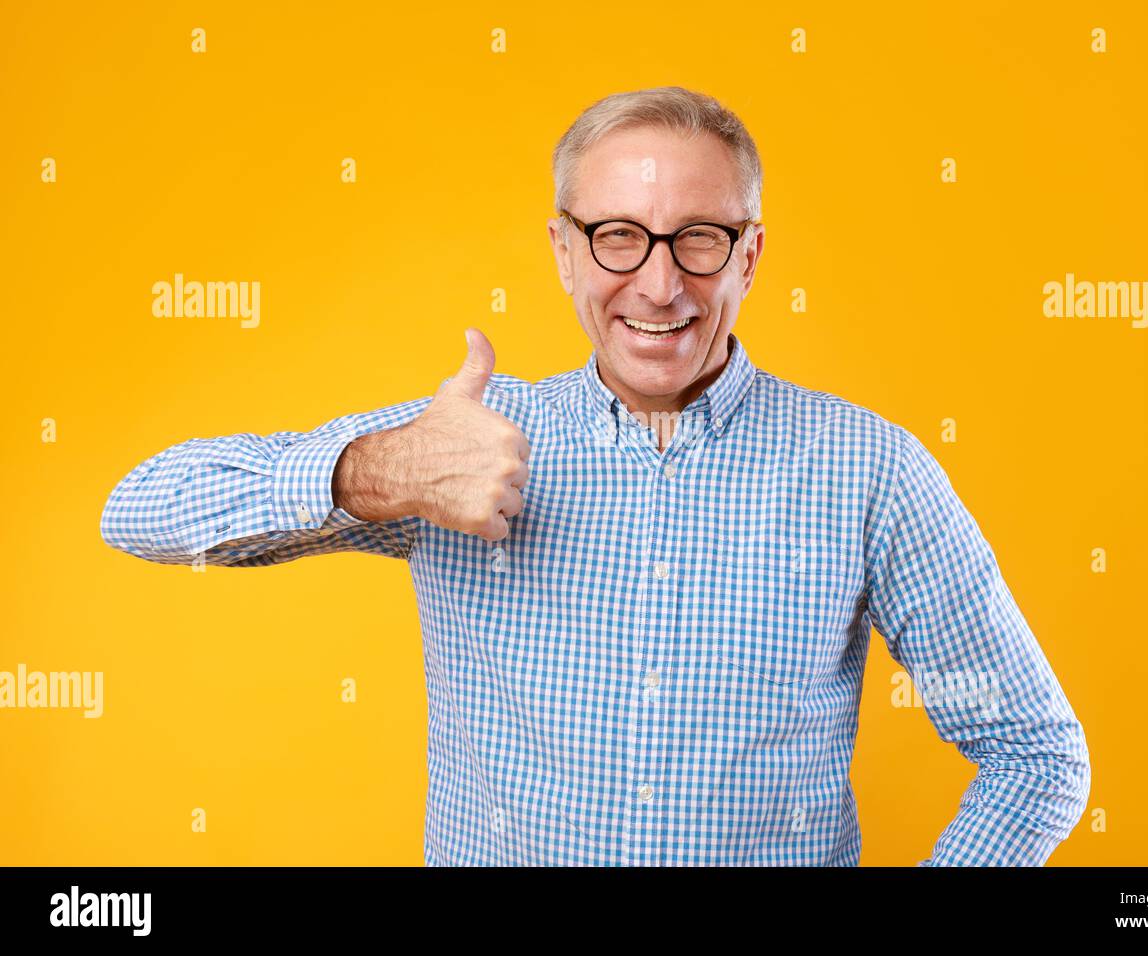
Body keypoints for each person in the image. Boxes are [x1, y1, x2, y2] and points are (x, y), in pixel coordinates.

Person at [101, 86, 1090, 866]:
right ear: (564, 250)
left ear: (749, 256)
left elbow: (1034, 754)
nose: (659, 284)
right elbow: (138, 507)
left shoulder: (870, 468)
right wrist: (384, 470)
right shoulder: (465, 442)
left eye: (698, 238)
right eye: (617, 235)